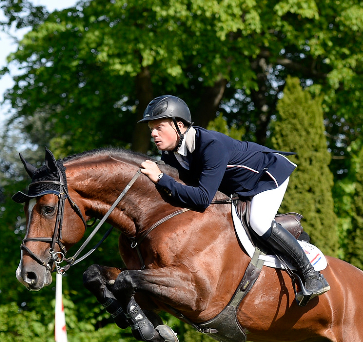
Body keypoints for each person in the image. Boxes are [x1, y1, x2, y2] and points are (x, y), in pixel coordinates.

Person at [137, 95, 329, 303]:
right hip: (238, 187)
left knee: (258, 222)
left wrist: (160, 177)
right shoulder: (171, 154)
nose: (154, 134)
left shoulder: (210, 145)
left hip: (267, 175)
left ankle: (311, 276)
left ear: (179, 125)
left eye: (159, 127)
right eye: (151, 130)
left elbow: (201, 198)